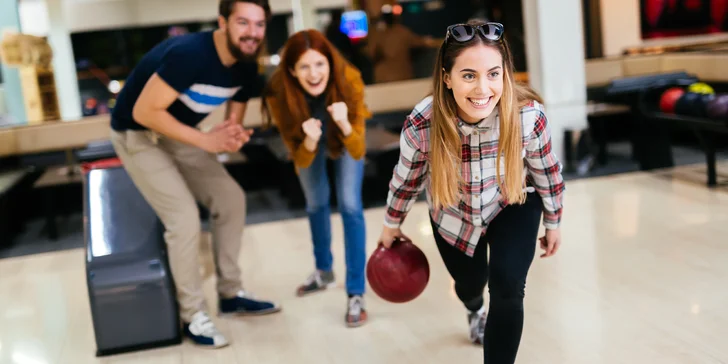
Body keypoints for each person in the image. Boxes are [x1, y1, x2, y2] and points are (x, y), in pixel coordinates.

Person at [378, 20, 565, 363]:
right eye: (469, 75)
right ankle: (473, 307)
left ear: (506, 74)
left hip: (514, 201)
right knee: (470, 283)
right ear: (447, 78)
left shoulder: (527, 117)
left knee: (508, 287)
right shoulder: (424, 122)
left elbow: (546, 171)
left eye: (493, 74)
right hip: (453, 212)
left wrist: (553, 221)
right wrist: (392, 223)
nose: (483, 88)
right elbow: (407, 179)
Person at [109, 0, 281, 349]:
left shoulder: (247, 67)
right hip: (136, 133)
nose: (252, 33)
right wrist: (206, 139)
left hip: (179, 131)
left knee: (231, 198)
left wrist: (231, 136)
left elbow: (232, 125)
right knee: (184, 217)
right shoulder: (191, 54)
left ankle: (231, 295)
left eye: (259, 24)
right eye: (243, 23)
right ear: (223, 22)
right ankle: (193, 315)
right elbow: (144, 111)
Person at [261, 29, 371, 327]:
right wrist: (309, 141)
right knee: (315, 202)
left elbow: (359, 148)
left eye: (319, 64)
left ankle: (355, 292)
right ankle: (324, 271)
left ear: (330, 64)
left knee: (350, 206)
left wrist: (344, 124)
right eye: (304, 67)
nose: (313, 74)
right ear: (292, 71)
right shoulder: (279, 93)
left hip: (344, 136)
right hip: (307, 141)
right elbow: (297, 157)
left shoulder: (349, 79)